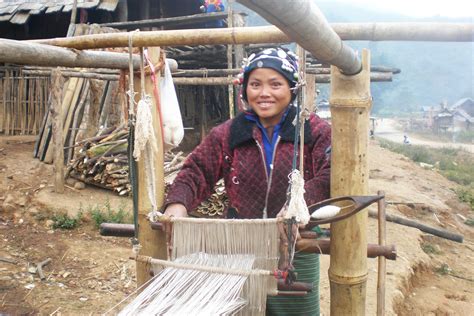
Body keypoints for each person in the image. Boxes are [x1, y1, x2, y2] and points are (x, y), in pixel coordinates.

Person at [164, 48, 331, 315]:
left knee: (295, 310)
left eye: (275, 84)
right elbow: (197, 171)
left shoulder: (312, 131)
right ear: (245, 90)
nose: (264, 93)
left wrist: (298, 206)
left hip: (297, 242)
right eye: (255, 84)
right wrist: (177, 204)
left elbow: (329, 175)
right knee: (243, 307)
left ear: (292, 88)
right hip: (240, 243)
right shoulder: (230, 133)